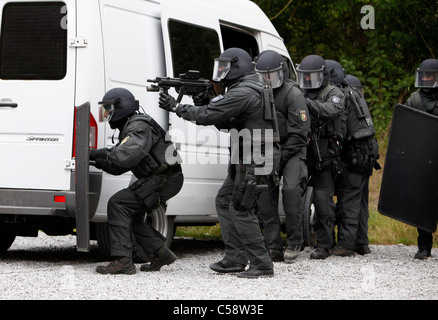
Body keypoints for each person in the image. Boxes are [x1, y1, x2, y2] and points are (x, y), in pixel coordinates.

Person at [158, 47, 280, 278]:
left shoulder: (243, 92)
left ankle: (262, 264)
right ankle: (235, 258)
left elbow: (207, 116)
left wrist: (176, 106)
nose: (221, 72)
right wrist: (204, 100)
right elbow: (225, 122)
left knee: (241, 207)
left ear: (237, 67)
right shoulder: (248, 88)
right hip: (248, 155)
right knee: (225, 201)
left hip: (253, 156)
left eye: (224, 67)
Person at [91, 88, 183, 275]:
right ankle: (160, 253)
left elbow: (125, 155)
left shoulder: (138, 126)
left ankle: (123, 261)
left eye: (109, 110)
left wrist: (100, 153)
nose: (107, 115)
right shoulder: (131, 126)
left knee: (118, 204)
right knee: (130, 214)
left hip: (165, 178)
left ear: (120, 106)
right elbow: (120, 165)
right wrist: (98, 161)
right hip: (161, 177)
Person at [254, 50, 310, 262]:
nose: (267, 80)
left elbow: (300, 133)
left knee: (291, 190)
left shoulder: (293, 94)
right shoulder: (258, 92)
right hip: (268, 148)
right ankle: (273, 245)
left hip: (292, 148)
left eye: (272, 75)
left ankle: (295, 241)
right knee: (265, 196)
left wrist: (282, 159)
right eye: (263, 76)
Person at [324, 60, 379, 257]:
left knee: (348, 199)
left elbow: (341, 130)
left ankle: (346, 245)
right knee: (359, 200)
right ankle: (361, 243)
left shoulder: (342, 96)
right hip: (365, 152)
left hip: (357, 154)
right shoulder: (352, 91)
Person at [296, 55, 345, 259]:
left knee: (323, 200)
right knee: (293, 196)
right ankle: (296, 239)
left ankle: (325, 243)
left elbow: (330, 110)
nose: (308, 81)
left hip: (325, 152)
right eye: (305, 77)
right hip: (303, 149)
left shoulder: (334, 92)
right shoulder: (301, 92)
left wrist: (305, 104)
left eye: (312, 77)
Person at [405, 58, 438, 259]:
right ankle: (424, 247)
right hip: (423, 158)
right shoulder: (414, 100)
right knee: (423, 203)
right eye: (423, 75)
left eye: (430, 76)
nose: (425, 79)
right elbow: (407, 128)